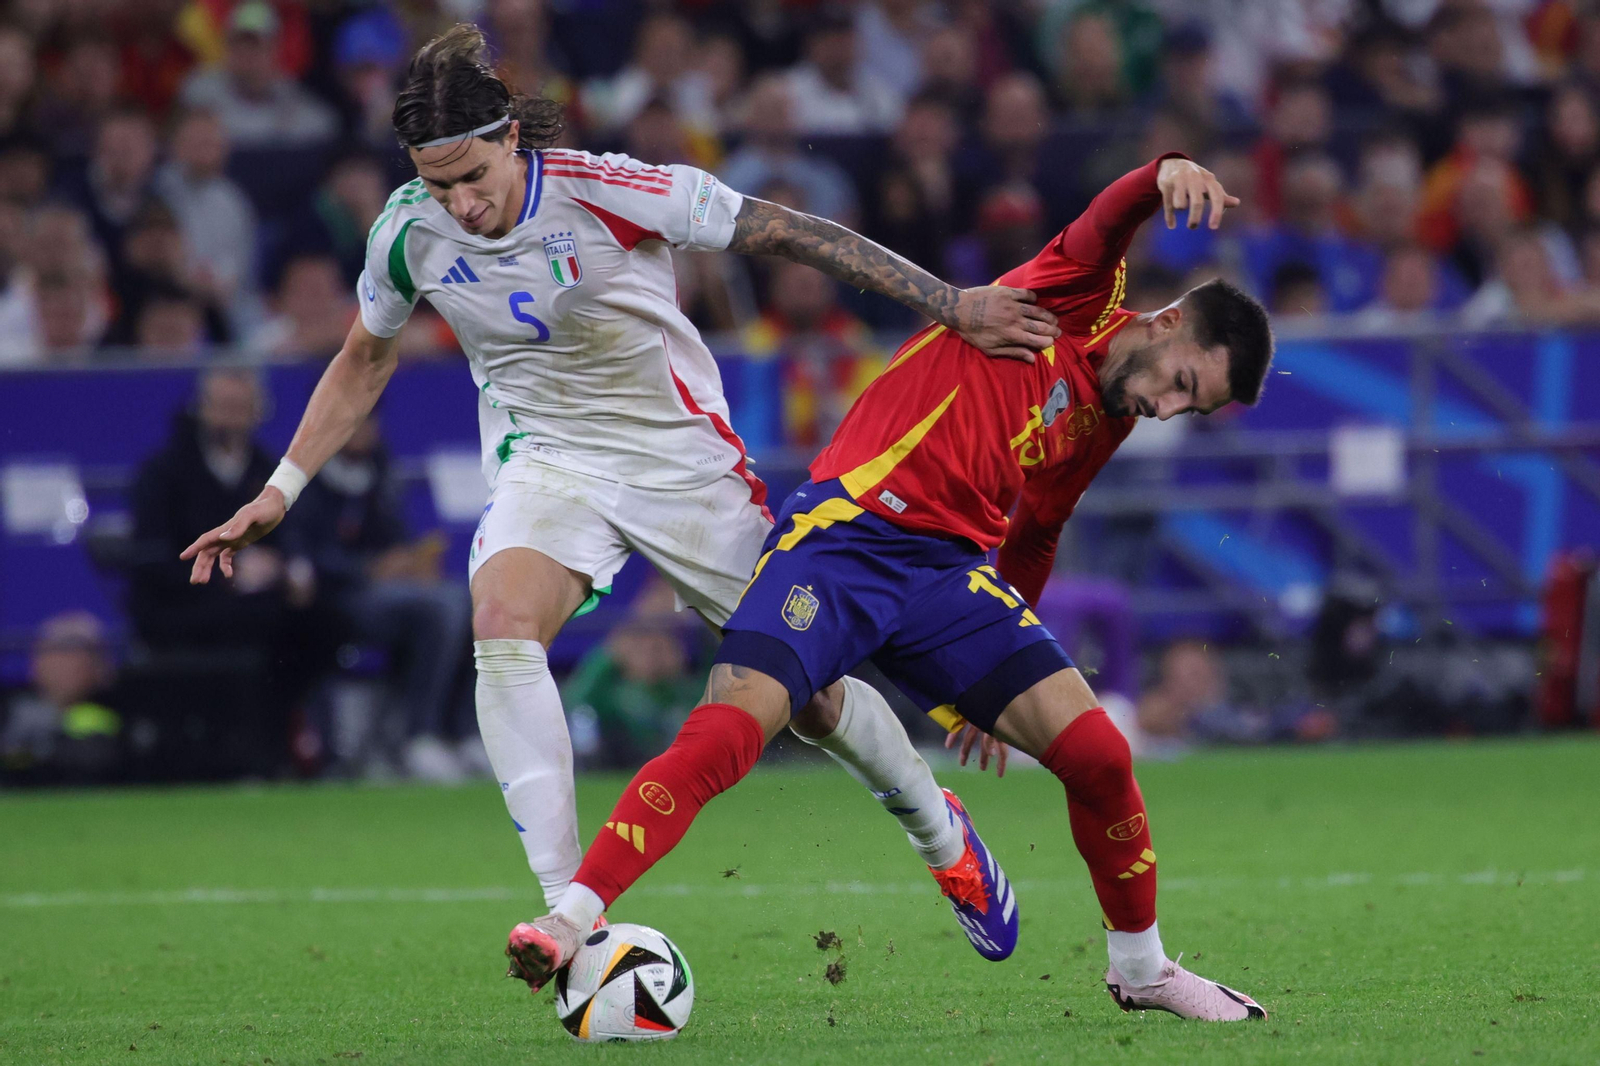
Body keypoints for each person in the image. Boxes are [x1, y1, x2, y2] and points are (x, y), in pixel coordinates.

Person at [180, 24, 1058, 953]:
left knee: (809, 692)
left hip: (682, 465)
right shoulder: (407, 232)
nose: (462, 204)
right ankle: (570, 917)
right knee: (502, 623)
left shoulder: (610, 188)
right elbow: (365, 356)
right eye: (440, 185)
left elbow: (790, 232)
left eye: (473, 177)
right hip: (548, 458)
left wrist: (953, 304)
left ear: (511, 137)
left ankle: (939, 829)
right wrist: (280, 489)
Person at [513, 154, 1277, 1024]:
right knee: (731, 729)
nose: (1171, 410)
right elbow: (1109, 217)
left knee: (1101, 755)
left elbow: (1036, 532)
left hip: (945, 577)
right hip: (841, 541)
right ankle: (570, 918)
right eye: (1182, 384)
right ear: (1169, 321)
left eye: (1193, 409)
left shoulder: (1104, 417)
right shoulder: (1073, 299)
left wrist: (981, 697)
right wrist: (1162, 172)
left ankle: (1142, 970)